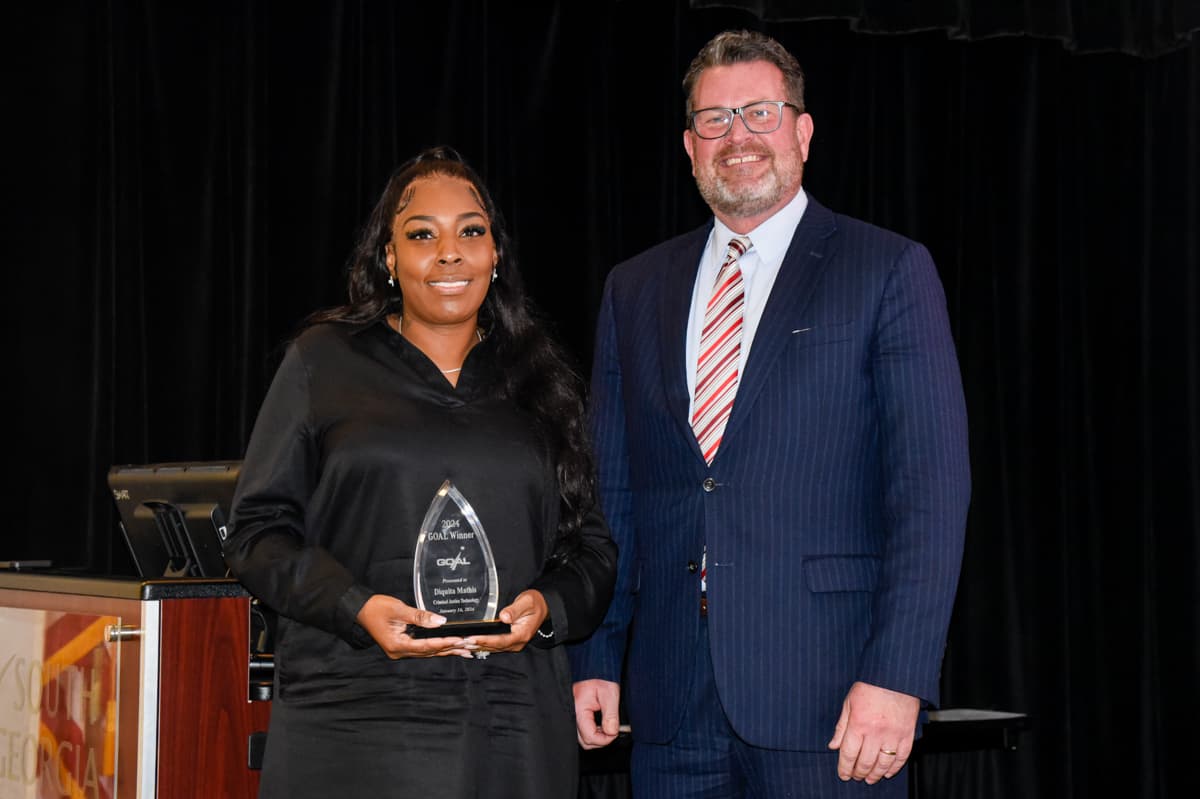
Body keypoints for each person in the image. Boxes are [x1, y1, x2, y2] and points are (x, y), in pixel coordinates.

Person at [569, 30, 970, 797]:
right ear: (689, 147)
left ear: (803, 131)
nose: (738, 137)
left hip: (835, 702)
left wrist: (899, 675)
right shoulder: (634, 288)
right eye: (714, 120)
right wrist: (594, 654)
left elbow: (930, 493)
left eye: (759, 112)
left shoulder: (887, 269)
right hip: (672, 704)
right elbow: (610, 494)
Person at [223, 146, 617, 798]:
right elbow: (257, 531)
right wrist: (358, 607)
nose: (449, 253)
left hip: (509, 717)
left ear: (496, 255)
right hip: (354, 707)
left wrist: (546, 606)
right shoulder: (323, 362)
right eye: (421, 235)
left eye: (470, 231)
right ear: (389, 257)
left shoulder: (541, 382)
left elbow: (593, 551)